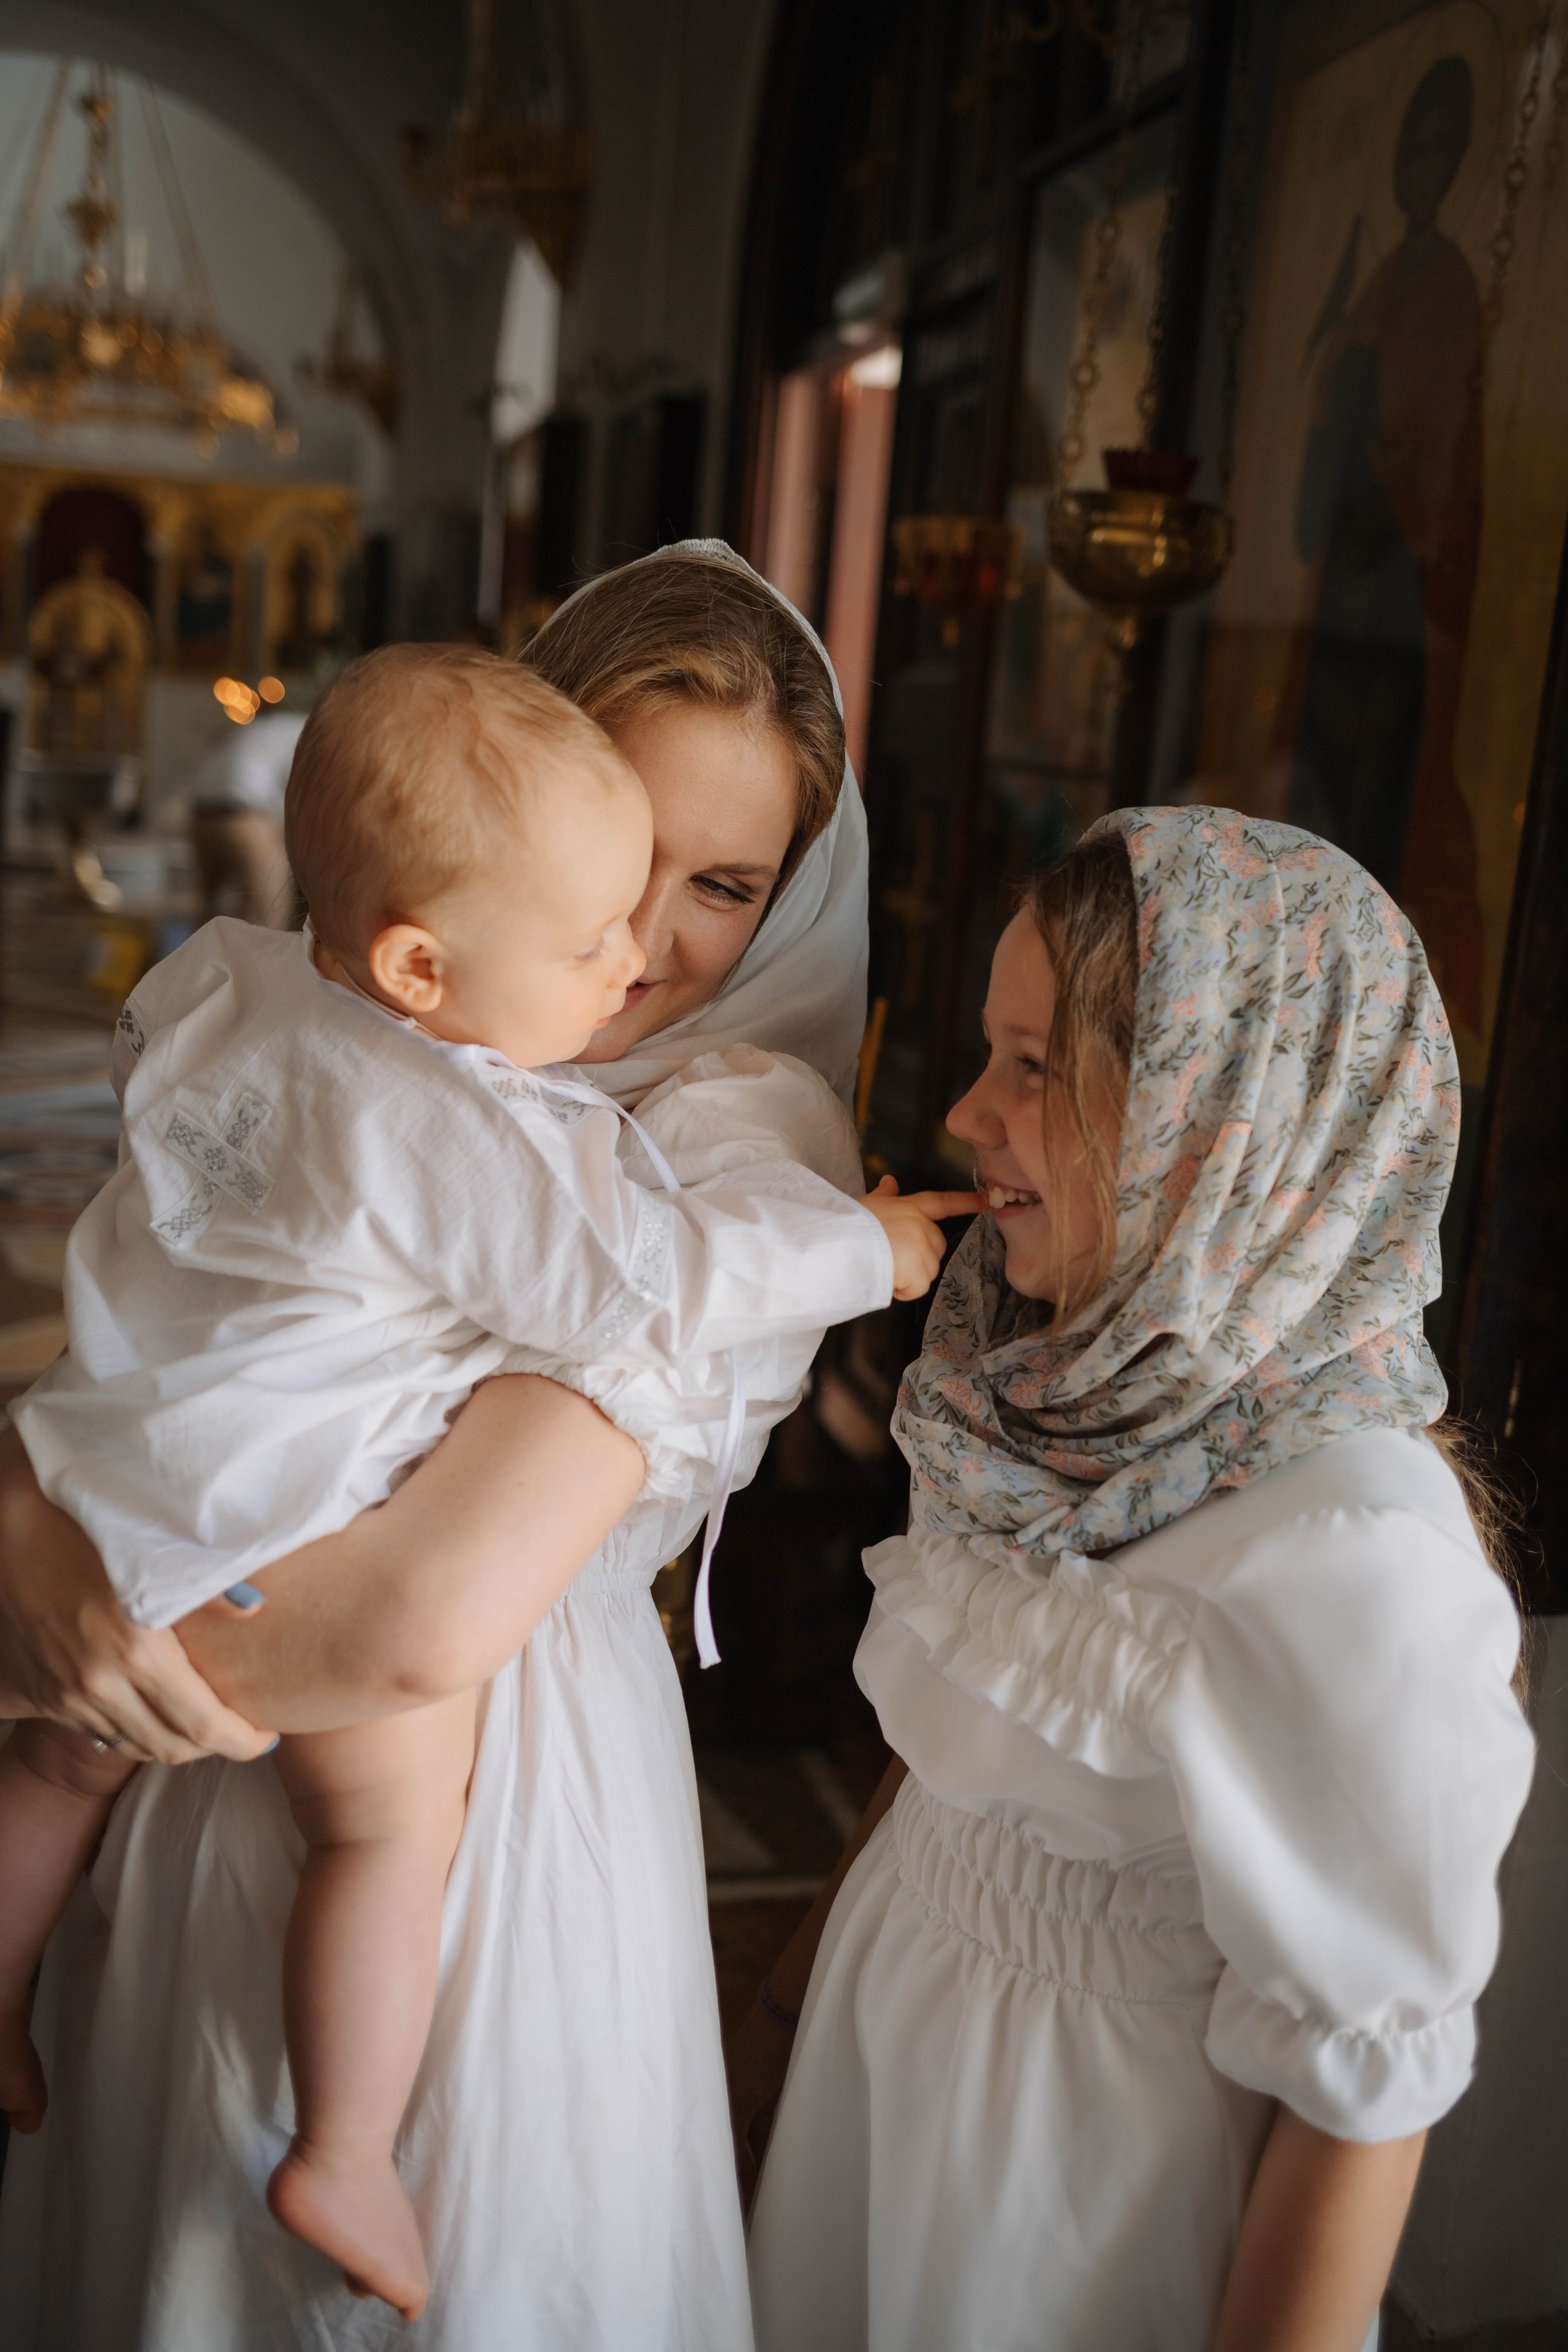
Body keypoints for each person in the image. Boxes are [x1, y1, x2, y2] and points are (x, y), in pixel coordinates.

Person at [0, 544, 982, 2350]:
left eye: (722, 884)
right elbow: (146, 1350)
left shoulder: (732, 1147)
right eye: (621, 846)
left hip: (464, 1800)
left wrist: (83, 1601)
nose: (647, 939)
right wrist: (40, 1545)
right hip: (193, 1761)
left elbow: (417, 1619)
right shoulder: (371, 1026)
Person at [737, 808, 1535, 2352]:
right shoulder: (1049, 1398)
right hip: (871, 2113)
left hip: (1063, 2216)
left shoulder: (1352, 1555)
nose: (971, 1107)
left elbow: (1355, 2108)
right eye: (990, 1049)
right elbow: (955, 1774)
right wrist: (776, 2026)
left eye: (1036, 1064)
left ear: (1221, 1117)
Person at [1272, 54, 1486, 1038]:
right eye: (1412, 143)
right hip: (1346, 602)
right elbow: (1322, 470)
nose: (1421, 164)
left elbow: (1436, 463)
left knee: (1370, 809)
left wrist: (1382, 464)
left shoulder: (1446, 288)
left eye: (1440, 145)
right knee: (1318, 803)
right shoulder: (1378, 284)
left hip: (1395, 610)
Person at [189, 707, 303, 928]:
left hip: (200, 813)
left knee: (208, 912)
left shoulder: (269, 727)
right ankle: (248, 964)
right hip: (245, 813)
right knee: (267, 914)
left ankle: (199, 962)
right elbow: (301, 799)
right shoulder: (310, 734)